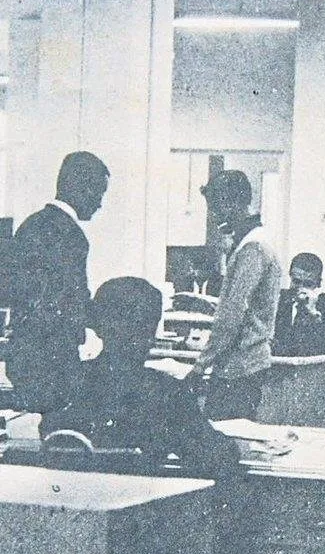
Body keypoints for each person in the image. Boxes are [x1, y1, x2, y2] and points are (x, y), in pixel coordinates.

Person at [40, 277, 241, 478]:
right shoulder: (167, 394)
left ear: (98, 327)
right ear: (151, 333)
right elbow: (219, 457)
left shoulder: (67, 383)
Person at [6, 151, 110, 413]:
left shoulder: (32, 225)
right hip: (53, 359)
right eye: (99, 193)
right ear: (83, 189)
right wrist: (109, 322)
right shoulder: (71, 235)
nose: (100, 204)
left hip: (24, 354)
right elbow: (71, 301)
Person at [186, 170, 282, 420]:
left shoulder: (252, 248)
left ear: (234, 203)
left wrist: (199, 366)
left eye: (217, 208)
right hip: (243, 364)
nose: (215, 216)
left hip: (239, 367)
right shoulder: (253, 242)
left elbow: (231, 317)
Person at [273, 252, 325, 357]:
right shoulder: (276, 300)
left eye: (308, 284)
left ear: (318, 283)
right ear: (290, 277)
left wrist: (314, 315)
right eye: (296, 282)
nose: (301, 288)